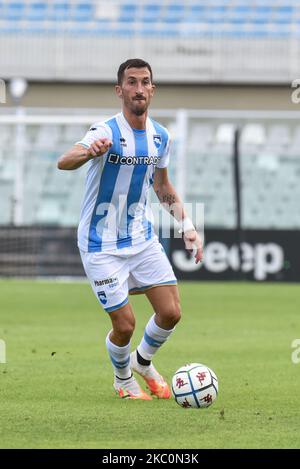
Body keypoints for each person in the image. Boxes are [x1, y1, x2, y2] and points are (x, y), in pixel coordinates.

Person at [57, 58, 202, 400]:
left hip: (141, 238)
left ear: (152, 89)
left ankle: (142, 361)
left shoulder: (160, 137)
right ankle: (123, 379)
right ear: (119, 90)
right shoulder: (105, 131)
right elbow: (64, 161)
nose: (139, 89)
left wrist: (188, 225)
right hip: (100, 243)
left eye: (145, 82)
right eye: (132, 82)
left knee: (171, 312)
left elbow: (162, 187)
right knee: (125, 325)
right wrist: (88, 153)